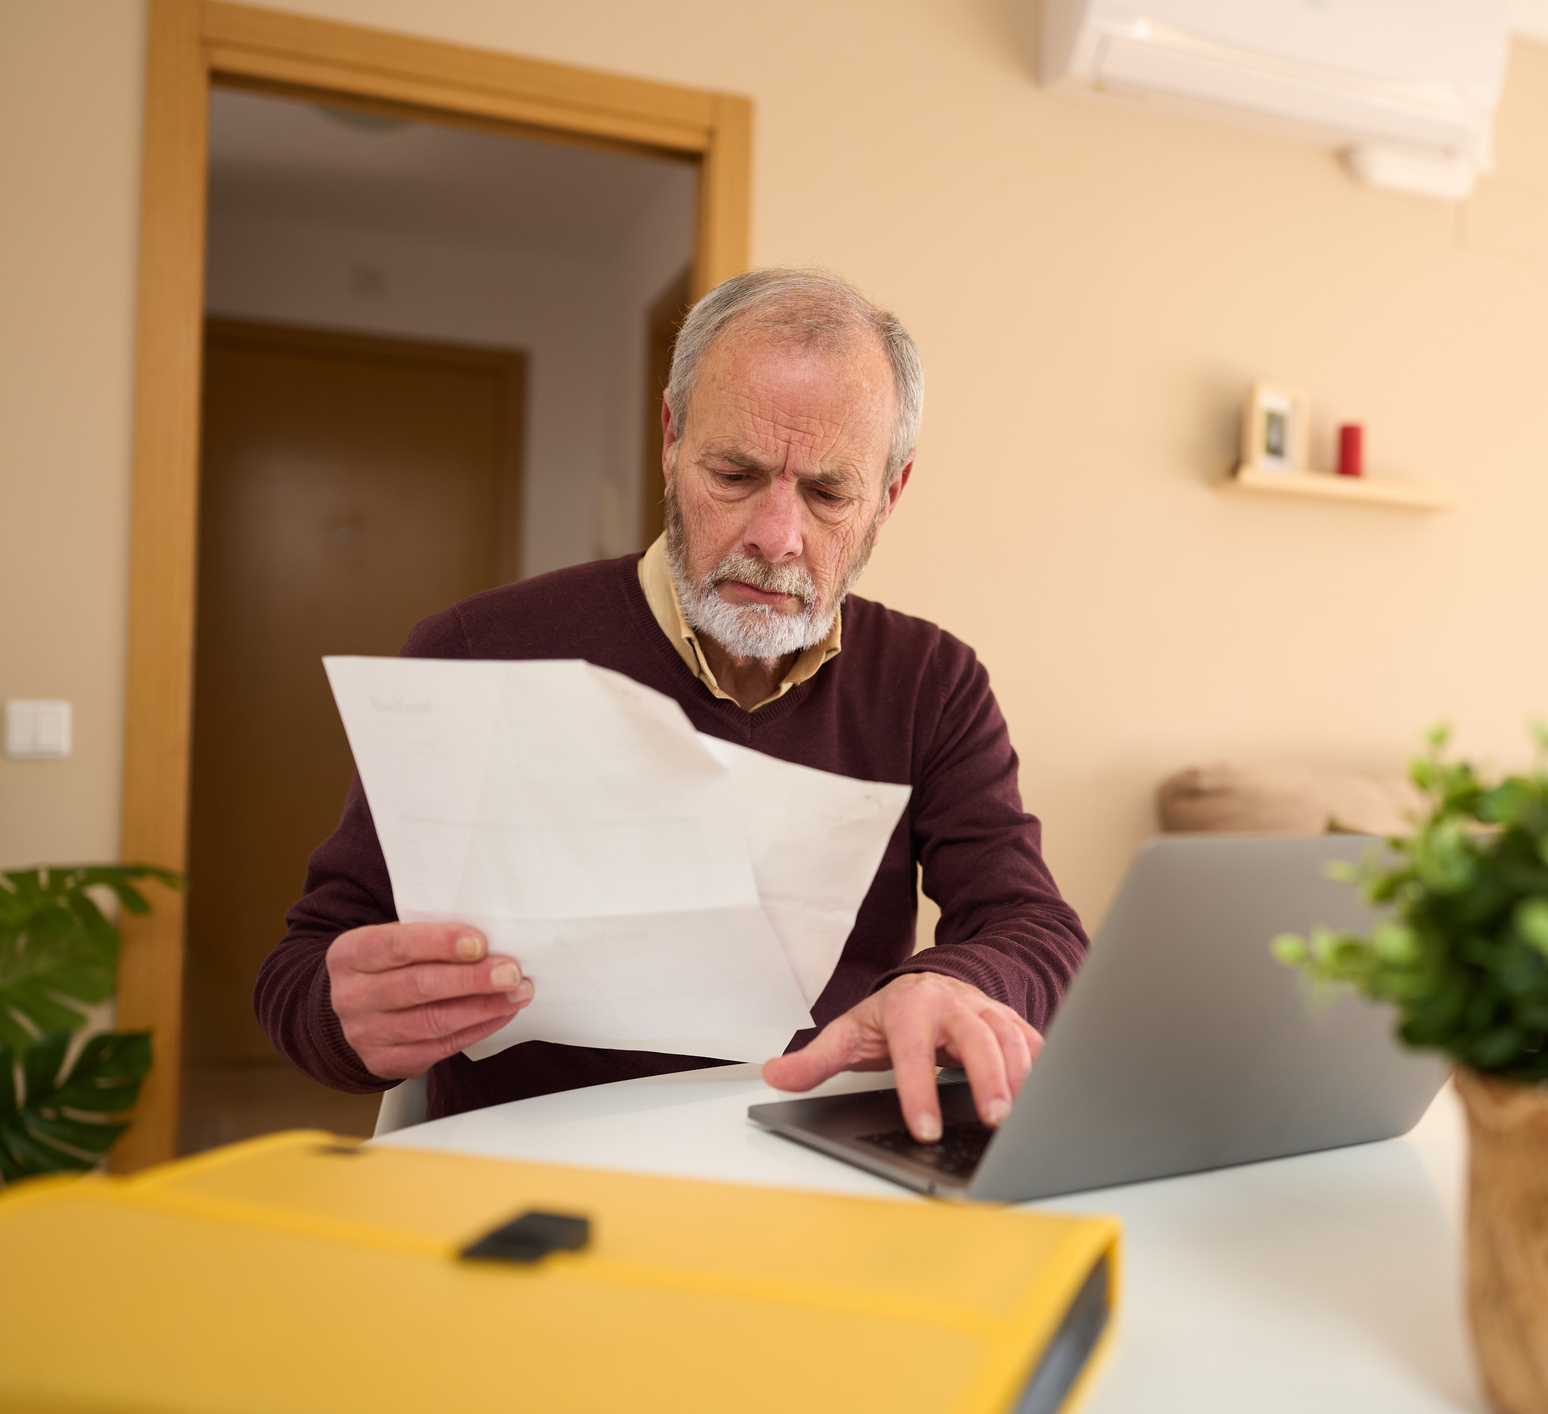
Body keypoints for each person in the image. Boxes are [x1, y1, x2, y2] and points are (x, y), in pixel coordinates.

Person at [257, 268, 1088, 1143]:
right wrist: (349, 1017)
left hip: (818, 1159)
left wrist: (953, 984)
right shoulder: (476, 652)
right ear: (670, 438)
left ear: (890, 493)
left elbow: (1031, 923)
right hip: (540, 1171)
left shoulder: (930, 681)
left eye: (828, 493)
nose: (776, 537)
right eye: (734, 474)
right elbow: (302, 971)